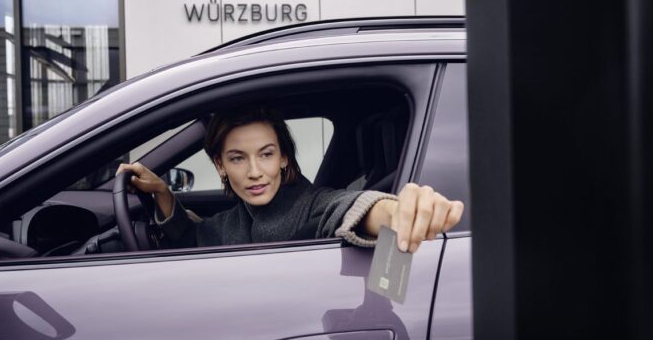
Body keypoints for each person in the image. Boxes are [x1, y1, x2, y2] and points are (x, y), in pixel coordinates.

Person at [116, 107, 464, 252]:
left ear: (283, 158)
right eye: (238, 158)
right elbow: (194, 236)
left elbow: (348, 208)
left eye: (266, 154)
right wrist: (162, 192)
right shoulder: (230, 223)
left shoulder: (311, 205)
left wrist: (399, 211)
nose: (255, 171)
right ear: (220, 165)